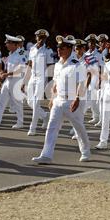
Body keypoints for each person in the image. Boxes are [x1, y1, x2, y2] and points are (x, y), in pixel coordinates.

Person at [32, 36, 91, 164]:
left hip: (71, 101)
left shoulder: (77, 64)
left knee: (78, 127)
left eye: (62, 48)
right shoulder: (58, 64)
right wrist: (52, 98)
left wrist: (77, 99)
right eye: (58, 47)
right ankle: (46, 155)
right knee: (52, 127)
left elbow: (82, 83)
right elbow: (55, 83)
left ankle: (85, 151)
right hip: (58, 100)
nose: (59, 50)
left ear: (70, 49)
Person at [0, 35, 27, 129]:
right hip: (8, 80)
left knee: (17, 102)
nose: (6, 45)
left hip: (16, 80)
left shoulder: (21, 54)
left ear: (15, 44)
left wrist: (7, 74)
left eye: (8, 43)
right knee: (1, 101)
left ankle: (20, 122)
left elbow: (22, 69)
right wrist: (3, 74)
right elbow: (8, 68)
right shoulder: (11, 53)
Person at [22, 29, 53, 136]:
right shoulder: (32, 49)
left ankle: (33, 127)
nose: (41, 40)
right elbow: (29, 65)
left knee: (36, 103)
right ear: (36, 38)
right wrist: (24, 81)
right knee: (30, 102)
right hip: (32, 78)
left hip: (41, 79)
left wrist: (50, 84)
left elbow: (50, 68)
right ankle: (45, 116)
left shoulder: (48, 51)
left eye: (43, 38)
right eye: (39, 37)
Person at [84, 34, 102, 124]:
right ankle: (95, 116)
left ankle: (98, 117)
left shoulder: (98, 54)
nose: (91, 44)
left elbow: (101, 68)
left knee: (95, 99)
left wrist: (100, 81)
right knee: (90, 98)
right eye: (90, 43)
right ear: (88, 44)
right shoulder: (86, 54)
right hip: (87, 78)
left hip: (96, 78)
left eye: (93, 43)